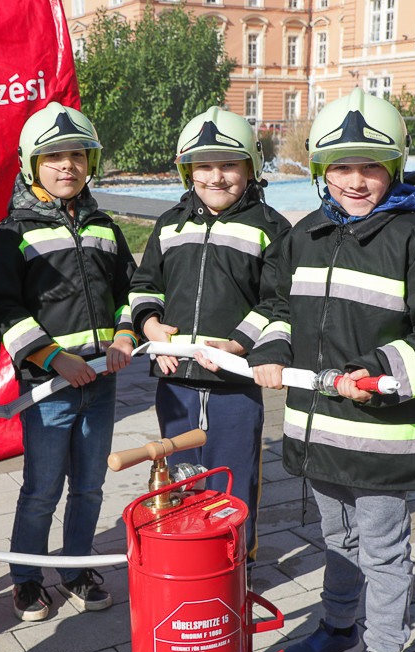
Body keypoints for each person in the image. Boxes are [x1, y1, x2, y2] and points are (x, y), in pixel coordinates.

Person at [247, 88, 415, 652]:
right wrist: (273, 347)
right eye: (341, 166)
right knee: (337, 538)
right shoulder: (306, 234)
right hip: (316, 429)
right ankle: (340, 628)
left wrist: (374, 373)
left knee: (383, 550)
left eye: (370, 166)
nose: (355, 180)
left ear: (393, 167)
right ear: (322, 170)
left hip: (378, 435)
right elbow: (279, 306)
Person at [0, 103, 136, 621]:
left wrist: (124, 333)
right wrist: (54, 358)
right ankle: (26, 580)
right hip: (49, 388)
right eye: (53, 157)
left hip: (102, 382)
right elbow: (3, 308)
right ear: (31, 165)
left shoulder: (105, 227)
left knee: (90, 487)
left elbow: (130, 291)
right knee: (42, 490)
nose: (67, 165)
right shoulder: (13, 232)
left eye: (76, 155)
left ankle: (75, 570)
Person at [130, 106, 291, 562]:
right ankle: (192, 559)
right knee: (182, 477)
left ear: (251, 168)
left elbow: (278, 301)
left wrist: (237, 344)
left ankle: (237, 564)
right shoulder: (169, 224)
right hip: (175, 381)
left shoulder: (272, 228)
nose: (216, 176)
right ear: (188, 171)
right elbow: (144, 287)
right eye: (203, 165)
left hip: (235, 383)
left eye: (229, 165)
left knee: (234, 477)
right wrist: (150, 327)